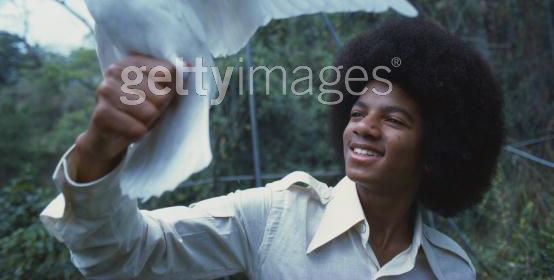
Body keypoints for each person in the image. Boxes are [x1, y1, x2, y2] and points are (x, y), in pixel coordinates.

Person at [40, 17, 504, 279]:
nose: (365, 128)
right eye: (358, 113)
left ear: (439, 147)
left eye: (395, 119)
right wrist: (101, 149)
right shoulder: (273, 218)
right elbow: (126, 254)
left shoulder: (451, 270)